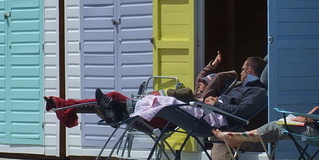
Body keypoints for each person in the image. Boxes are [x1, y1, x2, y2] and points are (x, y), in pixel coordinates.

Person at [44, 51, 240, 127]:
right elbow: (202, 76)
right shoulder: (201, 90)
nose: (199, 83)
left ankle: (65, 107)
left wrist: (231, 74)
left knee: (111, 98)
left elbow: (216, 80)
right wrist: (213, 65)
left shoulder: (205, 97)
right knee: (110, 100)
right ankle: (64, 106)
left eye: (203, 82)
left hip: (168, 117)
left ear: (211, 85)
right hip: (149, 109)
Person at [212, 52, 319, 147]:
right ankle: (241, 139)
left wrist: (304, 118)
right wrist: (312, 114)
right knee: (283, 130)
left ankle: (238, 138)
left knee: (277, 125)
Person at [96, 56, 267, 128]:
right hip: (208, 111)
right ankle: (117, 111)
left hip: (216, 120)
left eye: (243, 69)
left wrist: (217, 103)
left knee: (168, 103)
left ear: (250, 70)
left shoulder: (257, 92)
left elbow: (242, 112)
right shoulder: (240, 86)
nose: (241, 71)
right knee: (161, 99)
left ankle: (118, 110)